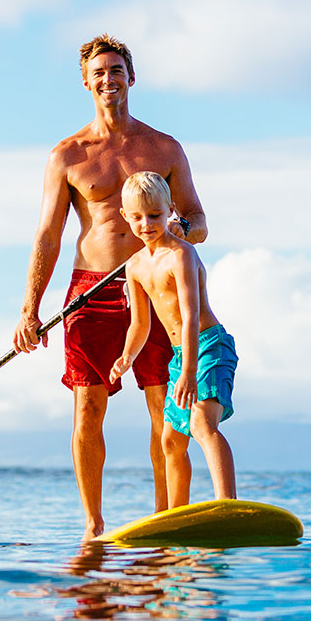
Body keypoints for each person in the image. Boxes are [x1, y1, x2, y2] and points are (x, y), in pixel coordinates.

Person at [13, 34, 207, 541]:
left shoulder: (164, 148)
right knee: (88, 406)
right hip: (90, 290)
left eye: (116, 70)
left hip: (154, 283)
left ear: (131, 77)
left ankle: (167, 517)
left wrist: (175, 234)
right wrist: (29, 309)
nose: (108, 79)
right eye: (99, 73)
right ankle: (94, 526)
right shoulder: (68, 155)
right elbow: (48, 235)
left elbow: (198, 219)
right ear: (86, 83)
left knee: (165, 403)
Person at [110, 171, 237, 509]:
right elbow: (140, 323)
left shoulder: (181, 255)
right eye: (137, 217)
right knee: (170, 441)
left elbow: (191, 315)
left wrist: (188, 371)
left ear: (171, 210)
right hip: (181, 356)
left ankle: (227, 504)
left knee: (200, 423)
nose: (146, 223)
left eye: (154, 215)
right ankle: (176, 514)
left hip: (208, 347)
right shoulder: (135, 266)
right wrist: (126, 357)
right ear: (125, 216)